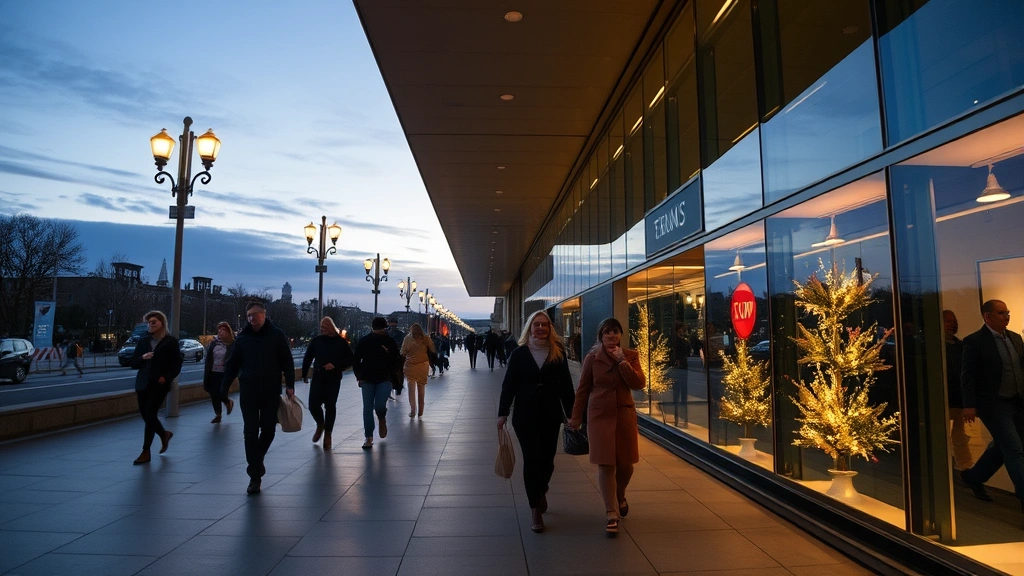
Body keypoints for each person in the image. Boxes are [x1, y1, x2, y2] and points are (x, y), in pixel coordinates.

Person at [497, 311, 575, 534]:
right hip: (525, 415)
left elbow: (566, 387)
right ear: (529, 328)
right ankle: (535, 508)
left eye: (544, 324)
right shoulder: (519, 354)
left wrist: (573, 415)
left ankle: (541, 490)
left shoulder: (557, 354)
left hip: (551, 414)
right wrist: (502, 413)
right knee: (532, 459)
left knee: (548, 460)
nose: (540, 328)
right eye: (536, 324)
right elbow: (508, 385)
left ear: (550, 329)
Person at [568, 317, 645, 535]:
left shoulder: (631, 356)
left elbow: (639, 384)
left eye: (616, 332)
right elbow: (582, 390)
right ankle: (611, 511)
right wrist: (576, 418)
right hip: (599, 416)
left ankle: (620, 494)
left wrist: (623, 363)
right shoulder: (592, 358)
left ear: (621, 335)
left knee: (626, 464)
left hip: (624, 416)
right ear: (600, 336)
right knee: (606, 464)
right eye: (607, 332)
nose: (612, 335)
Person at [221, 301, 295, 495]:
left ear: (264, 314)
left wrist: (290, 385)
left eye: (255, 315)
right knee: (250, 431)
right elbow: (232, 365)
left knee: (269, 429)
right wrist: (224, 388)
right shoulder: (243, 338)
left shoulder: (277, 335)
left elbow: (287, 361)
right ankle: (255, 476)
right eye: (249, 316)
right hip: (249, 391)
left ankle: (256, 460)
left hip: (271, 391)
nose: (252, 319)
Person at [960, 299, 1024, 514]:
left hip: (1017, 401)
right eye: (1001, 312)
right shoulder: (975, 341)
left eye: (1007, 312)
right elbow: (968, 376)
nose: (1007, 316)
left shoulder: (1015, 338)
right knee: (1015, 449)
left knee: (1003, 446)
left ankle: (973, 477)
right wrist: (969, 405)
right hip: (993, 403)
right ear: (987, 316)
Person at [130, 311, 183, 465]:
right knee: (147, 416)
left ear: (162, 323)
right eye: (148, 322)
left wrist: (166, 377)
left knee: (150, 413)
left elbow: (177, 364)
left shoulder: (170, 342)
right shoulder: (143, 341)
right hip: (143, 383)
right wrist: (143, 357)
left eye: (153, 322)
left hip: (159, 385)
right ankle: (164, 434)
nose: (150, 325)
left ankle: (145, 451)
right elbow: (133, 363)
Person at [302, 316, 354, 451]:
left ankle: (328, 434)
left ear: (331, 327)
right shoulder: (316, 341)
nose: (322, 329)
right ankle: (320, 424)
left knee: (330, 405)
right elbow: (308, 357)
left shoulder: (341, 343)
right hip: (318, 376)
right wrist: (304, 374)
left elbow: (350, 360)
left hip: (333, 378)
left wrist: (335, 365)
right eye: (321, 327)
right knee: (313, 405)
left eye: (325, 327)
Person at [353, 316, 401, 449]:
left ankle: (381, 418)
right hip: (369, 379)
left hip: (382, 379)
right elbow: (356, 359)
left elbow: (396, 360)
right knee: (369, 407)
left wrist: (359, 375)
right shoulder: (367, 341)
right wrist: (359, 376)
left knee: (376, 406)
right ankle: (368, 436)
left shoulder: (388, 341)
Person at [943, 310, 972, 471]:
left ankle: (965, 465)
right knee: (949, 433)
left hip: (958, 396)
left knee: (959, 434)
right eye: (948, 321)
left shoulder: (960, 345)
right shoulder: (936, 347)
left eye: (953, 321)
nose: (952, 324)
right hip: (945, 396)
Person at [401, 323, 435, 418]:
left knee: (411, 388)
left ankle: (413, 410)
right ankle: (421, 410)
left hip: (410, 365)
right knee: (421, 387)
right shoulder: (426, 338)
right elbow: (432, 349)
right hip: (423, 365)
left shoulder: (407, 338)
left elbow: (403, 352)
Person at [204, 322, 236, 423]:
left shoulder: (232, 344)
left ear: (228, 332)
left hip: (225, 373)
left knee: (222, 392)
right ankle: (218, 414)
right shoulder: (214, 343)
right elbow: (208, 357)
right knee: (213, 393)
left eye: (224, 330)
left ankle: (228, 402)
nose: (221, 332)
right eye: (220, 330)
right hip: (213, 371)